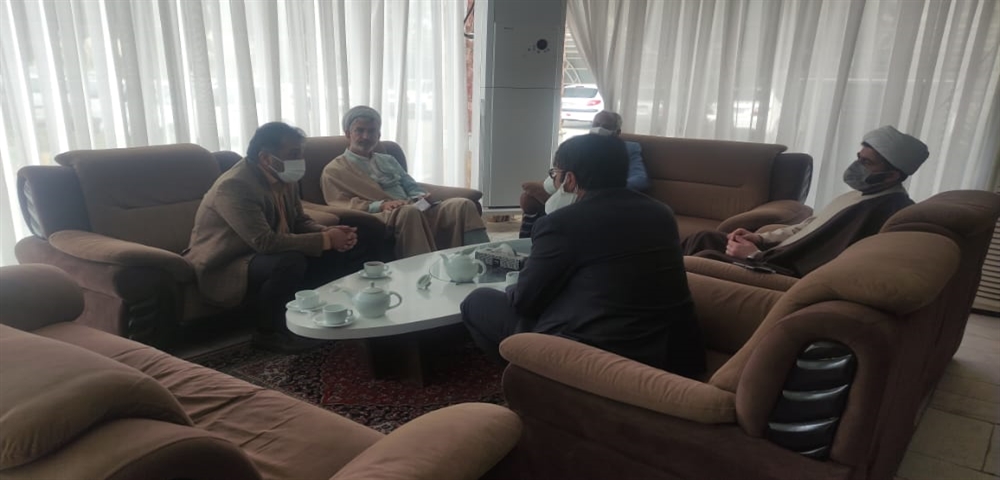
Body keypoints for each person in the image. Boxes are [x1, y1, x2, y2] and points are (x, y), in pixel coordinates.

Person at [461, 134, 705, 375]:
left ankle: (535, 382)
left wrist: (514, 285)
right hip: (677, 353)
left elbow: (525, 301)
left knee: (478, 301)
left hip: (605, 355)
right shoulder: (661, 213)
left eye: (554, 175)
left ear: (570, 179)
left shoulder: (561, 224)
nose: (553, 182)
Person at [185, 122, 373, 353]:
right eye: (293, 154)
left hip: (260, 252)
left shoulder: (284, 176)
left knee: (330, 249)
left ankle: (313, 317)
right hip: (228, 261)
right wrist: (325, 240)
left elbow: (299, 221)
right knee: (289, 261)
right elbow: (264, 242)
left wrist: (327, 233)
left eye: (300, 154)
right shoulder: (235, 186)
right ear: (266, 158)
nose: (300, 160)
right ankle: (267, 333)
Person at [682, 125, 929, 277]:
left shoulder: (882, 210)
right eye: (858, 158)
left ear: (892, 175)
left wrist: (753, 255)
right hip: (771, 253)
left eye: (866, 163)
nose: (856, 166)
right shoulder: (859, 194)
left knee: (703, 256)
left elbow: (823, 261)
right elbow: (807, 226)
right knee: (703, 237)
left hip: (776, 268)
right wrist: (760, 238)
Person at [321, 106, 490, 258]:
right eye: (360, 130)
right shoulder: (334, 170)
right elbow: (340, 203)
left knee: (462, 205)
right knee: (409, 212)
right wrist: (381, 205)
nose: (366, 136)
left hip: (413, 206)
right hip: (382, 215)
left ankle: (481, 259)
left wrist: (421, 197)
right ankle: (423, 271)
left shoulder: (388, 159)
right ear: (348, 134)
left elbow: (410, 185)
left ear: (378, 135)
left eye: (372, 131)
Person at [519, 110, 649, 237]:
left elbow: (640, 179)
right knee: (528, 198)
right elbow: (564, 169)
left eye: (606, 126)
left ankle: (542, 232)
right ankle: (528, 238)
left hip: (593, 193)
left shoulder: (628, 149)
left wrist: (604, 185)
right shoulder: (581, 145)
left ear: (618, 132)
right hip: (571, 185)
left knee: (545, 207)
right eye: (596, 124)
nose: (599, 128)